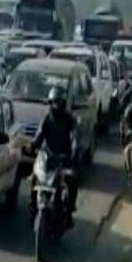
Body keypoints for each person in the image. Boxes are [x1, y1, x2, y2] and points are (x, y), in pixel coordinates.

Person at [29, 86, 78, 228]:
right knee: (34, 178)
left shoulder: (69, 119)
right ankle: (32, 207)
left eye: (58, 102)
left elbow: (75, 137)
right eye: (53, 103)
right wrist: (33, 145)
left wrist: (73, 152)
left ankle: (68, 213)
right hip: (48, 157)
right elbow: (39, 135)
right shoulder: (46, 119)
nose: (56, 106)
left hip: (64, 159)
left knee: (72, 182)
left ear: (63, 103)